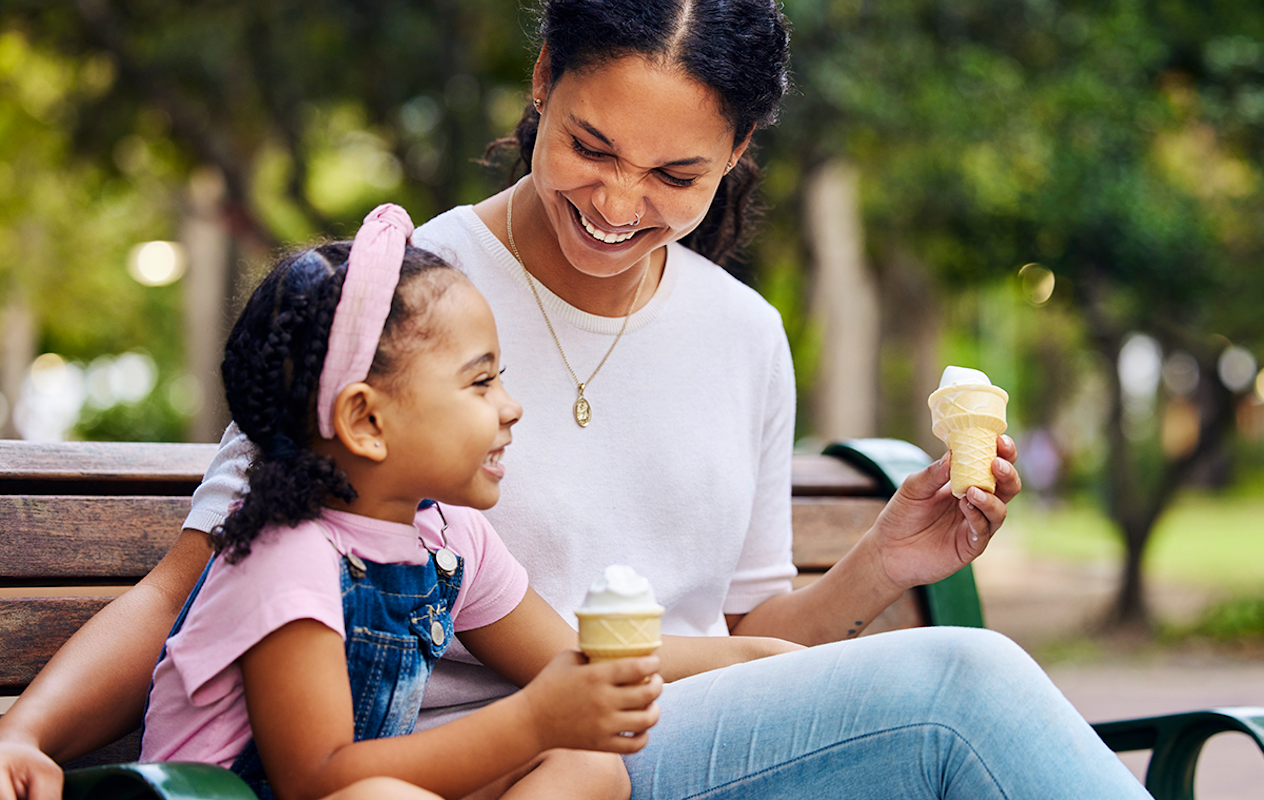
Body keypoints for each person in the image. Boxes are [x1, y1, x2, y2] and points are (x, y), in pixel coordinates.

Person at [0, 2, 1151, 798]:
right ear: (541, 78)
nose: (615, 201)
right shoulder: (404, 305)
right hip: (473, 758)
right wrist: (27, 727)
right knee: (964, 686)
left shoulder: (744, 333)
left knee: (953, 695)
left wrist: (884, 565)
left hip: (640, 731)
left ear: (740, 151)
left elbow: (739, 644)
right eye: (591, 145)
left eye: (674, 175)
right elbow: (180, 590)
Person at [138, 204, 794, 800]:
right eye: (480, 382)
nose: (510, 408)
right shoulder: (290, 562)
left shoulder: (451, 540)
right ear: (366, 421)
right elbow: (316, 779)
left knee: (585, 765)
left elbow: (566, 651)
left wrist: (756, 658)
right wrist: (532, 719)